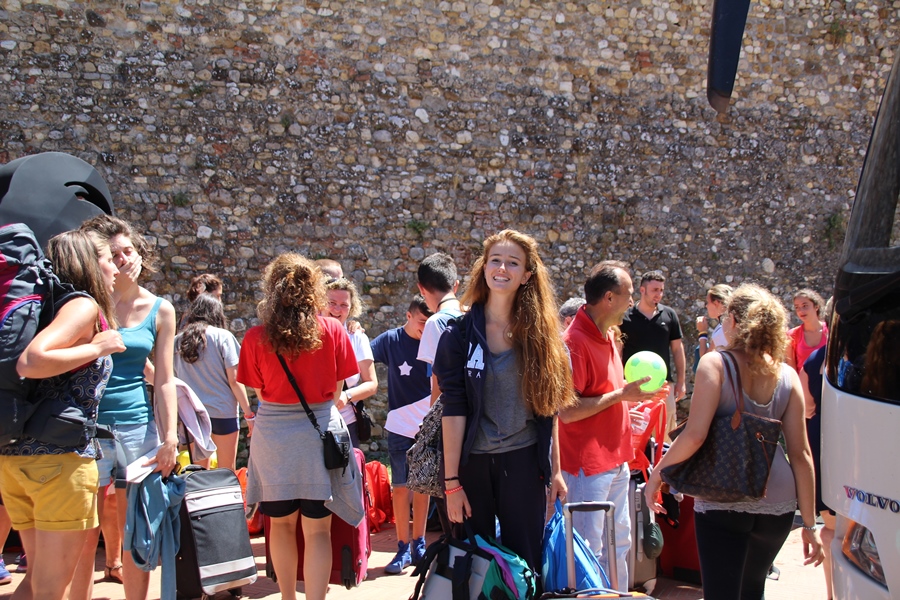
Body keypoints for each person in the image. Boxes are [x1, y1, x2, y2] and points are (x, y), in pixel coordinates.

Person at [645, 283, 825, 599]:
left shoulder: (716, 363)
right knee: (753, 590)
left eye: (727, 316)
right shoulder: (786, 375)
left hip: (723, 494)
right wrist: (809, 525)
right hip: (778, 500)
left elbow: (695, 435)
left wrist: (657, 475)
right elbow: (801, 455)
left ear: (735, 321)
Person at [434, 229, 573, 575]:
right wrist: (452, 483)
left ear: (526, 275)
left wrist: (556, 471)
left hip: (524, 461)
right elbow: (453, 408)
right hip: (472, 465)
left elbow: (549, 408)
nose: (502, 268)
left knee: (526, 564)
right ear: (483, 268)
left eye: (513, 263)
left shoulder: (542, 337)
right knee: (472, 566)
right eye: (495, 260)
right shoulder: (458, 335)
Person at [0, 230, 124, 600]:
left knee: (36, 582)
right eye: (109, 259)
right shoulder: (82, 306)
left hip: (17, 457)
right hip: (59, 463)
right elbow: (32, 361)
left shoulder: (45, 306)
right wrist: (98, 347)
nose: (116, 268)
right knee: (52, 588)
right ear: (91, 263)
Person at [237, 253, 363, 600]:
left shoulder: (255, 337)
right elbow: (336, 391)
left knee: (280, 526)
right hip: (318, 434)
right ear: (314, 291)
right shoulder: (333, 331)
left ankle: (287, 598)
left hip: (273, 438)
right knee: (318, 530)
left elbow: (260, 392)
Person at [77, 215, 179, 600]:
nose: (123, 259)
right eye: (114, 254)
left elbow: (164, 379)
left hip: (137, 427)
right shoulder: (87, 303)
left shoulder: (160, 309)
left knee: (137, 529)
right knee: (83, 534)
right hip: (87, 427)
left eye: (128, 251)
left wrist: (170, 437)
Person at [558, 261, 656, 591]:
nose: (633, 302)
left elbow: (605, 393)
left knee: (620, 544)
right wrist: (621, 395)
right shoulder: (574, 342)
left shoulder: (608, 335)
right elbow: (567, 412)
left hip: (616, 461)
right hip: (587, 468)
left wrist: (630, 400)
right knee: (589, 550)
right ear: (609, 298)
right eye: (629, 294)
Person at [370, 295, 434, 574]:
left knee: (422, 487)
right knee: (400, 487)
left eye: (430, 322)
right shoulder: (390, 340)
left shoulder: (437, 339)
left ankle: (419, 543)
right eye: (422, 322)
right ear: (408, 316)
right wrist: (353, 332)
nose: (426, 328)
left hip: (429, 426)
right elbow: (359, 356)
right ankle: (402, 547)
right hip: (399, 425)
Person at [174, 294, 254, 471]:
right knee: (226, 471)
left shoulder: (177, 341)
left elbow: (173, 380)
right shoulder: (223, 337)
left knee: (197, 473)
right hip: (222, 411)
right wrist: (249, 414)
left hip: (191, 414)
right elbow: (234, 380)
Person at [620, 270, 686, 438]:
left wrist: (681, 382)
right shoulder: (626, 317)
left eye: (661, 290)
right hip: (632, 385)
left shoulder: (669, 315)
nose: (659, 294)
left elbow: (677, 349)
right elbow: (618, 350)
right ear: (642, 290)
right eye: (655, 290)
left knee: (665, 434)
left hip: (663, 385)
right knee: (633, 434)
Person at [324, 278, 378, 448]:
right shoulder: (307, 335)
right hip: (311, 423)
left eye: (344, 305)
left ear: (351, 308)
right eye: (331, 303)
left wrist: (346, 396)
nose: (337, 309)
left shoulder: (357, 337)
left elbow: (372, 384)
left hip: (346, 423)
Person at [786, 288, 828, 371]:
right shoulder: (792, 335)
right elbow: (792, 369)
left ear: (816, 307)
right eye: (797, 307)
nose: (801, 311)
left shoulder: (830, 331)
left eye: (805, 306)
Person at [696, 284, 733, 357]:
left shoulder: (722, 330)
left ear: (716, 303)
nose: (706, 306)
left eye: (708, 302)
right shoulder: (726, 324)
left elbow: (705, 358)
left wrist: (702, 332)